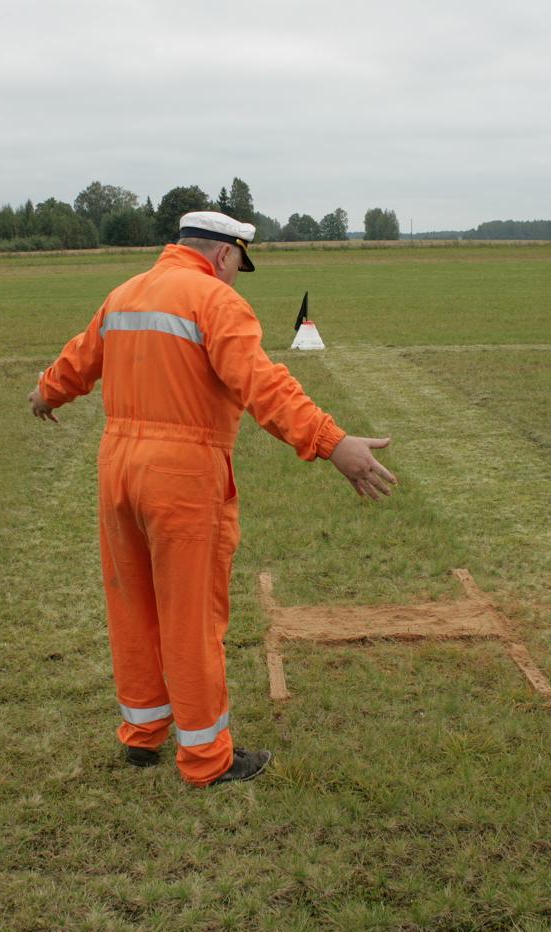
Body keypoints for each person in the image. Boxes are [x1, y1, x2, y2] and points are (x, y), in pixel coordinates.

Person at [29, 211, 396, 787]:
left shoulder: (125, 293)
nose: (236, 279)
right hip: (183, 476)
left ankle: (142, 735)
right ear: (225, 255)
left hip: (117, 469)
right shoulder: (215, 301)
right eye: (238, 267)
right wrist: (332, 442)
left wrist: (46, 390)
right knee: (191, 617)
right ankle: (206, 760)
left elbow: (81, 356)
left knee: (134, 606)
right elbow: (263, 384)